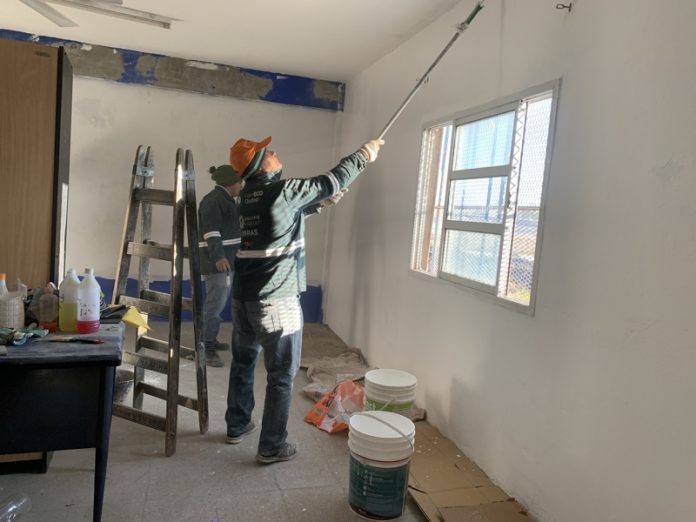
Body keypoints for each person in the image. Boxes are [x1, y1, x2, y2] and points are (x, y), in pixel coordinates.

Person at [224, 135, 384, 463]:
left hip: (243, 298)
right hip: (276, 300)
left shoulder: (246, 198)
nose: (274, 151)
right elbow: (331, 180)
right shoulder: (283, 191)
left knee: (243, 363)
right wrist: (364, 154)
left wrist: (318, 205)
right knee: (282, 374)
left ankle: (237, 425)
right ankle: (272, 446)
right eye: (267, 152)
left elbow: (281, 220)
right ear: (260, 165)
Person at [198, 165, 243, 368]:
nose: (241, 185)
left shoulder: (225, 199)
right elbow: (211, 231)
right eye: (239, 182)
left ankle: (210, 339)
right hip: (217, 262)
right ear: (230, 183)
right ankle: (206, 347)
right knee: (215, 305)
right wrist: (219, 257)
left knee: (217, 303)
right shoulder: (214, 201)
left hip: (225, 260)